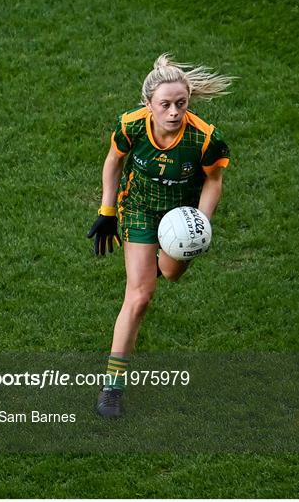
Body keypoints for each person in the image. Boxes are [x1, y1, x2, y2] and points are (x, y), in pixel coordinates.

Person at [88, 54, 233, 418]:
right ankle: (112, 387)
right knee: (139, 298)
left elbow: (214, 181)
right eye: (165, 105)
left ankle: (152, 260)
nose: (173, 112)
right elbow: (113, 161)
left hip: (181, 215)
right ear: (148, 104)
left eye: (180, 104)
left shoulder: (204, 138)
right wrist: (107, 211)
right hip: (138, 209)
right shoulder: (132, 126)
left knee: (169, 272)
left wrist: (201, 222)